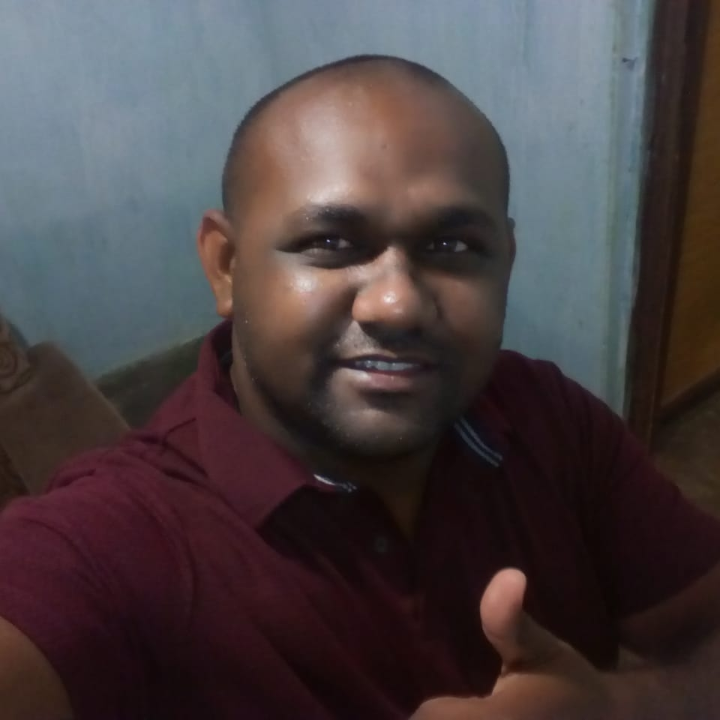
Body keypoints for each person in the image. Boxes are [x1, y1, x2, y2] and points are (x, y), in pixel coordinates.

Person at [0, 54, 719, 720]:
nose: (397, 304)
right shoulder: (111, 540)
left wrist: (616, 709)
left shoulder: (549, 417)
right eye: (331, 244)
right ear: (227, 266)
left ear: (505, 260)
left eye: (453, 246)